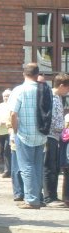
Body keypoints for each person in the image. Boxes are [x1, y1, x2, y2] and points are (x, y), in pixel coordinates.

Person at [9, 63, 48, 209]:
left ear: (24, 74)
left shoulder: (19, 90)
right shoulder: (45, 89)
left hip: (24, 134)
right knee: (38, 166)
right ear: (37, 74)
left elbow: (13, 113)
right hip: (41, 133)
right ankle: (38, 197)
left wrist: (15, 130)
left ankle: (32, 200)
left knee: (26, 167)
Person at [43, 73, 69, 205]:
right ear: (62, 86)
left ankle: (53, 195)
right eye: (67, 88)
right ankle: (49, 196)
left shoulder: (59, 98)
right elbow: (51, 118)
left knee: (55, 166)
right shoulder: (52, 97)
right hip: (50, 135)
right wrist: (62, 128)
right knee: (49, 166)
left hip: (56, 136)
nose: (68, 91)